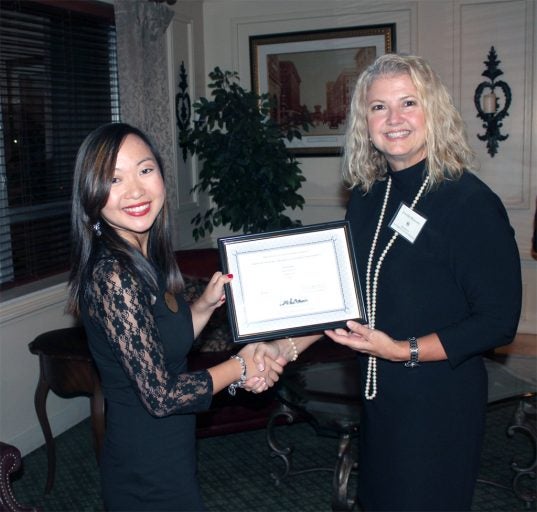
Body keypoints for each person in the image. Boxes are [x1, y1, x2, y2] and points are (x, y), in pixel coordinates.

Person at [256, 53, 522, 511]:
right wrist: (286, 346)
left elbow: (497, 322)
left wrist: (402, 350)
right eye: (379, 107)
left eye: (408, 103)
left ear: (433, 112)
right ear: (365, 121)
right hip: (379, 396)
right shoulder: (367, 197)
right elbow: (346, 297)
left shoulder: (469, 202)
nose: (393, 119)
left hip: (440, 400)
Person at [66, 122, 285, 512]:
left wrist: (204, 306)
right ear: (92, 195)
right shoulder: (113, 275)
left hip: (169, 453)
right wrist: (240, 366)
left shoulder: (145, 257)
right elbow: (161, 395)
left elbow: (163, 345)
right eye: (114, 179)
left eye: (145, 170)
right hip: (144, 466)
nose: (135, 190)